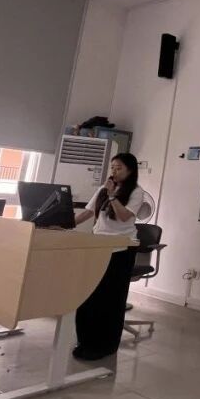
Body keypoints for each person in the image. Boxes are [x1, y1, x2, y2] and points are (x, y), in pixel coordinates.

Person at [71, 152, 146, 360]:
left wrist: (113, 196)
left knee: (110, 299)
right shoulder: (103, 190)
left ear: (130, 170)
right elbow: (87, 213)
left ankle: (105, 345)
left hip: (121, 249)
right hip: (98, 246)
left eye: (119, 168)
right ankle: (85, 341)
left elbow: (124, 216)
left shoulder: (136, 192)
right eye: (112, 167)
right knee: (89, 296)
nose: (114, 171)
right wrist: (65, 223)